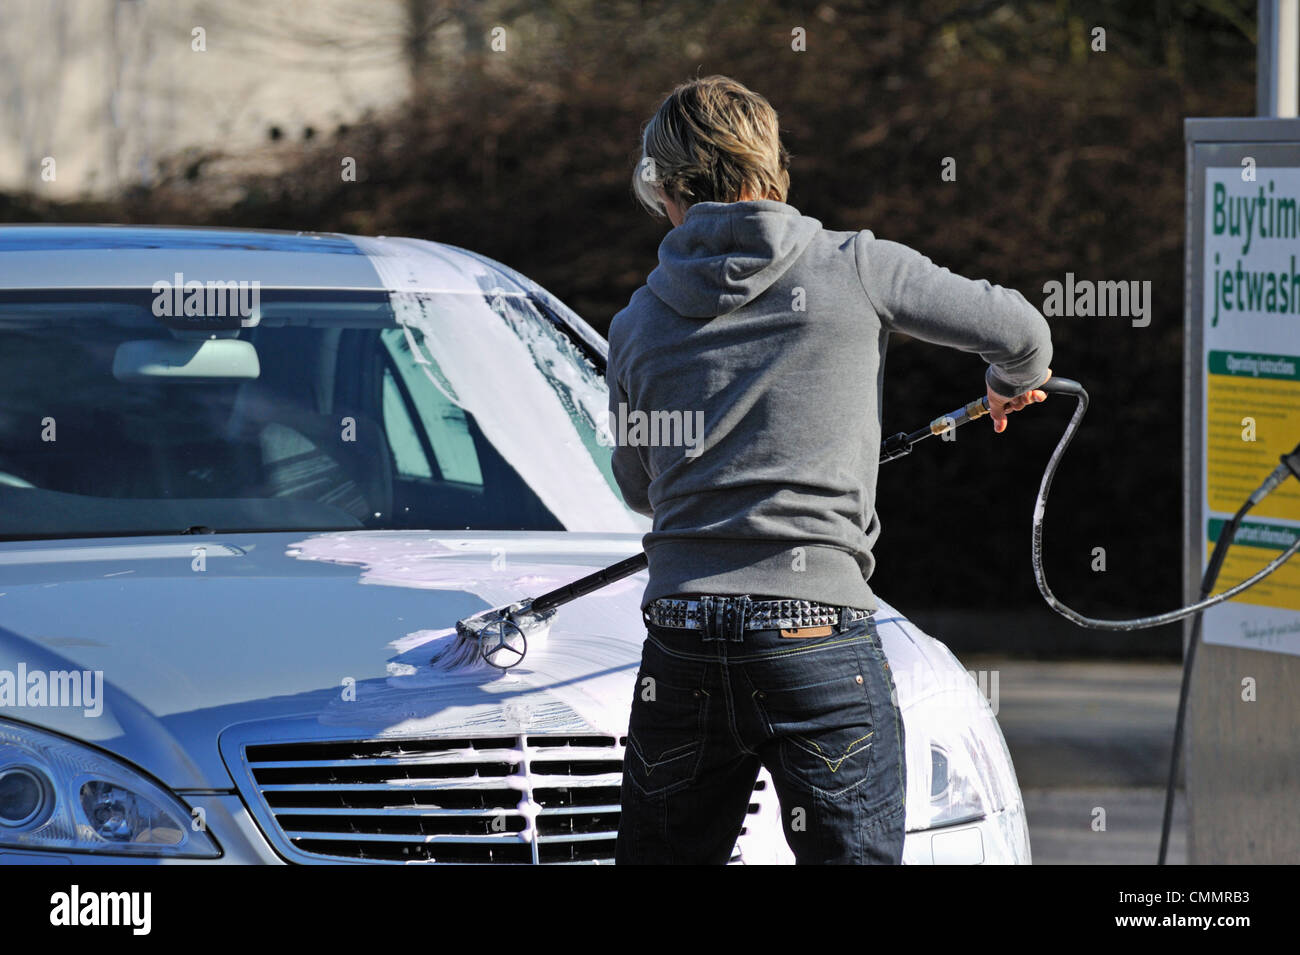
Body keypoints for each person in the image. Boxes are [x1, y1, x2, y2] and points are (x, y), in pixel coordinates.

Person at [606, 75, 1052, 865]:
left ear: (669, 189)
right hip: (814, 631)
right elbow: (1020, 332)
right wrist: (1007, 388)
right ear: (770, 168)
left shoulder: (638, 321)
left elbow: (642, 488)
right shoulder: (857, 268)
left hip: (681, 638)